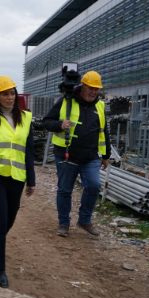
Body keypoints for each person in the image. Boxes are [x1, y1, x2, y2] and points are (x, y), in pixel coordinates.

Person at [0, 75, 36, 288]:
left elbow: (28, 150)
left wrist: (32, 179)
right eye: (5, 94)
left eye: (12, 93)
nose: (10, 97)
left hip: (16, 177)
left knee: (9, 220)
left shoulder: (26, 118)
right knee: (1, 220)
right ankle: (0, 269)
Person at [39, 70, 110, 238]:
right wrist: (59, 125)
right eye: (90, 88)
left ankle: (84, 220)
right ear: (82, 86)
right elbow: (46, 122)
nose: (93, 91)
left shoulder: (100, 106)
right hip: (66, 154)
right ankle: (64, 223)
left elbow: (104, 131)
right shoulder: (65, 101)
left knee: (93, 185)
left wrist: (106, 155)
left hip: (91, 156)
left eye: (96, 89)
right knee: (65, 190)